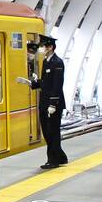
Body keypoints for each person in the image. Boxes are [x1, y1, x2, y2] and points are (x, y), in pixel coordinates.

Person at [19, 35, 68, 169]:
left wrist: (53, 104)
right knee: (47, 131)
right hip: (44, 102)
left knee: (52, 131)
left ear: (51, 47)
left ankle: (53, 160)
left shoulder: (57, 63)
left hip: (53, 104)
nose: (42, 49)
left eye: (44, 46)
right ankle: (61, 157)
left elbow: (57, 85)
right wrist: (32, 83)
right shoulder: (46, 61)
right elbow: (46, 82)